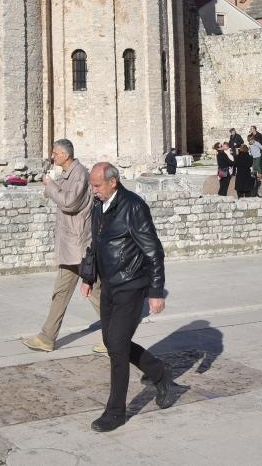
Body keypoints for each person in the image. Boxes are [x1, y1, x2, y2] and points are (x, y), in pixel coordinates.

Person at [80, 161, 175, 431]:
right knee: (112, 342)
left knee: (117, 349)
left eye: (97, 186)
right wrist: (89, 276)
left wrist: (156, 292)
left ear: (113, 182)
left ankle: (115, 412)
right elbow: (97, 243)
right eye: (92, 186)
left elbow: (153, 251)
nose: (94, 190)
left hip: (131, 285)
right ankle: (159, 372)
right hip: (109, 285)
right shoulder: (99, 205)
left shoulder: (133, 207)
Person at [23, 139, 103, 353]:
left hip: (79, 246)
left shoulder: (80, 175)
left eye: (56, 153)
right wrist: (51, 186)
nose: (52, 156)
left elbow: (70, 202)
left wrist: (50, 185)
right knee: (60, 293)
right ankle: (46, 338)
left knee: (95, 293)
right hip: (69, 246)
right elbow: (64, 197)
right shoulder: (69, 174)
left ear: (66, 155)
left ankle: (115, 338)